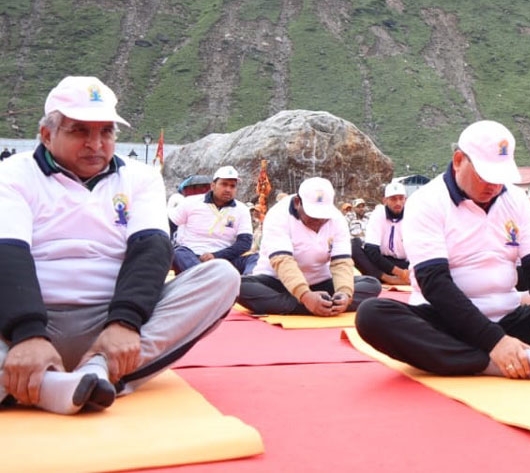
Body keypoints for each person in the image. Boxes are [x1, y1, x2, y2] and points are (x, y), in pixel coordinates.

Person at [0, 76, 239, 415]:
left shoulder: (140, 178)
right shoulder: (12, 174)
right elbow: (8, 253)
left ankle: (94, 370)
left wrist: (124, 323)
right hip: (15, 327)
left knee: (221, 277)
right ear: (46, 135)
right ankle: (61, 387)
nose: (95, 144)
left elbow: (152, 250)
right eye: (79, 130)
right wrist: (27, 334)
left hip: (111, 326)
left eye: (106, 132)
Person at [354, 120, 530, 379]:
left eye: (500, 178)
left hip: (508, 314)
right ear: (458, 161)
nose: (494, 186)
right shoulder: (427, 202)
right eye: (486, 176)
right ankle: (489, 362)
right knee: (371, 316)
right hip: (446, 319)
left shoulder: (515, 200)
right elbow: (434, 283)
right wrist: (494, 342)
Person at [237, 177, 382, 316]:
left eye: (323, 216)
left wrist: (344, 293)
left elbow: (341, 263)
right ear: (297, 203)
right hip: (278, 282)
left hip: (321, 281)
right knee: (237, 285)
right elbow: (282, 261)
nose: (319, 221)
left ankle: (322, 305)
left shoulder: (337, 219)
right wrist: (305, 296)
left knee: (372, 284)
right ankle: (309, 306)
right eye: (313, 216)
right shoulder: (278, 215)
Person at [169, 165, 257, 275]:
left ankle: (247, 282)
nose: (228, 189)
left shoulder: (242, 209)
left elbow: (244, 243)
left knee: (255, 258)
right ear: (213, 185)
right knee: (179, 252)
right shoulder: (190, 203)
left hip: (225, 259)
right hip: (193, 256)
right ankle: (206, 277)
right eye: (224, 184)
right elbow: (168, 226)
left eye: (232, 186)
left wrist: (216, 256)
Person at [353, 180, 410, 285]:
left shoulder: (413, 215)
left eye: (401, 198)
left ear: (405, 200)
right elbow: (371, 250)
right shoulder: (378, 214)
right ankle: (387, 279)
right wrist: (400, 273)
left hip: (405, 264)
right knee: (353, 245)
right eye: (393, 199)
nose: (398, 203)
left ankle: (401, 278)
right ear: (385, 201)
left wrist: (408, 271)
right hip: (381, 263)